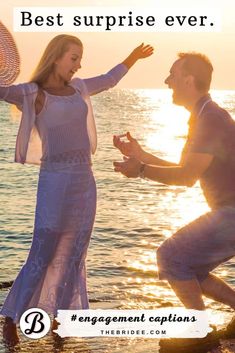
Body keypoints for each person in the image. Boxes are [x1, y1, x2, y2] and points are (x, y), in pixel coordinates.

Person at [0, 33, 153, 344]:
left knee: (74, 254)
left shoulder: (80, 87)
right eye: (73, 58)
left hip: (84, 180)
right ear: (56, 57)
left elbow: (109, 79)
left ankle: (59, 320)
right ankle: (10, 318)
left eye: (80, 59)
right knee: (42, 253)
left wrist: (133, 57)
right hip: (54, 181)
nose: (79, 64)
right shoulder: (33, 93)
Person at [113, 52, 235, 351]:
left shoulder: (210, 118)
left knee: (171, 256)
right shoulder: (205, 115)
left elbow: (185, 177)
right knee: (190, 265)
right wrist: (142, 157)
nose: (167, 81)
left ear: (188, 80)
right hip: (229, 212)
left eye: (172, 74)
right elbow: (186, 169)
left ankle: (199, 334)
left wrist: (140, 170)